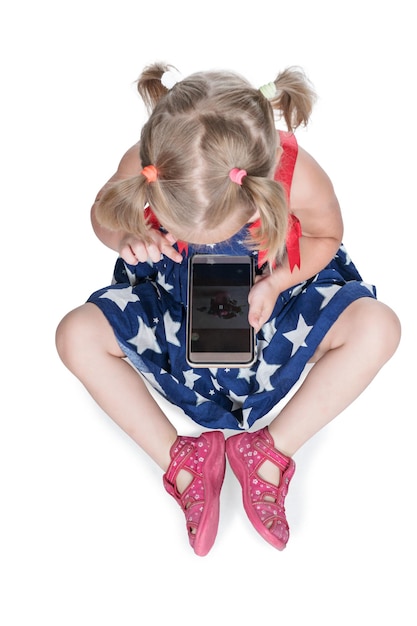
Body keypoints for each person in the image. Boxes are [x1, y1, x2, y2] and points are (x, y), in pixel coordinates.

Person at [55, 62, 401, 556]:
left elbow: (327, 235)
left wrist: (277, 282)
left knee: (379, 327)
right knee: (74, 336)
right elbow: (102, 214)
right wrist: (125, 237)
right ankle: (184, 460)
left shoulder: (295, 174)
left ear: (257, 191)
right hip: (172, 301)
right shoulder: (148, 160)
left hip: (277, 294)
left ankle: (268, 450)